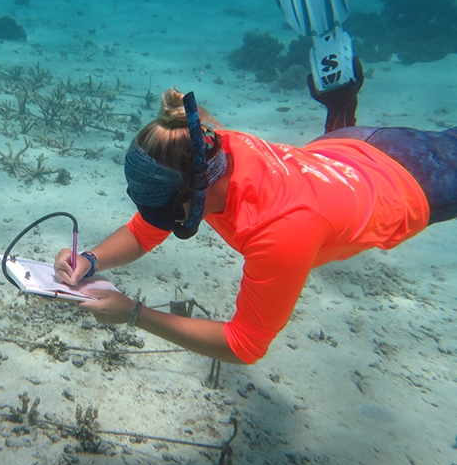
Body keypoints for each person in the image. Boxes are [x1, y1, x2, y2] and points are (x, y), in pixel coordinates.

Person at [54, 58, 457, 364]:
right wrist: (90, 259)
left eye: (164, 208)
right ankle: (341, 105)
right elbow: (145, 230)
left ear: (195, 188)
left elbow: (244, 345)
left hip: (411, 185)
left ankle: (341, 105)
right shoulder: (208, 145)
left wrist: (133, 314)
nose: (157, 218)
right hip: (350, 147)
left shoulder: (280, 232)